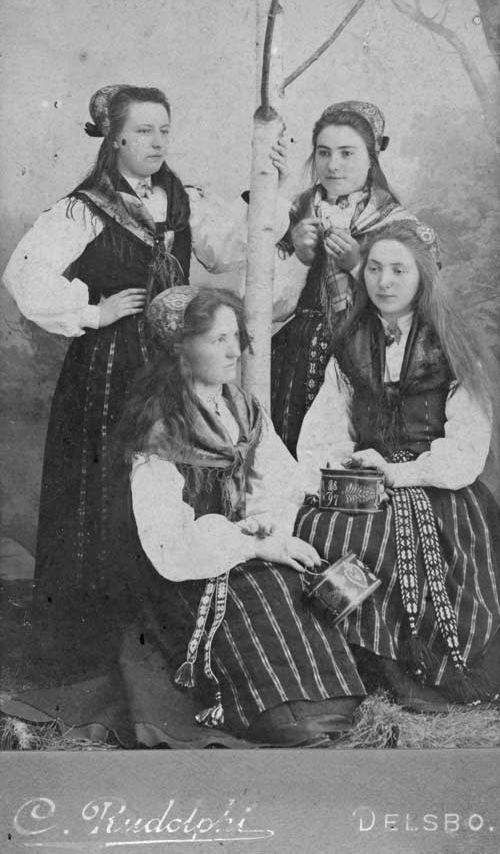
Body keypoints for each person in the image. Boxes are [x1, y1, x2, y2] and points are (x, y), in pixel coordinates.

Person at [1, 83, 295, 678]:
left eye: (164, 130)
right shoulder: (85, 208)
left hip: (174, 363)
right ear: (114, 139)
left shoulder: (184, 200)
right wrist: (93, 312)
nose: (157, 142)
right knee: (106, 484)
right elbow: (23, 275)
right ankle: (96, 639)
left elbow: (232, 249)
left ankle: (167, 628)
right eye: (142, 131)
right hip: (109, 368)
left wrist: (274, 190)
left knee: (172, 482)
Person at [109, 285, 365, 747]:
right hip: (183, 574)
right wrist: (250, 544)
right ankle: (282, 715)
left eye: (235, 337)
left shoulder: (242, 408)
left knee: (292, 577)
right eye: (218, 340)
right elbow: (166, 543)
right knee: (262, 589)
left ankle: (329, 705)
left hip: (236, 548)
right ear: (181, 349)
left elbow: (280, 482)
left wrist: (267, 528)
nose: (235, 351)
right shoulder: (161, 427)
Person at [295, 223, 500, 712]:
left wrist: (398, 473)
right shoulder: (350, 342)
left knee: (384, 542)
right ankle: (354, 668)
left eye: (398, 270)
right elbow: (324, 430)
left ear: (423, 276)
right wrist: (348, 468)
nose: (384, 282)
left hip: (436, 485)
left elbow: (466, 449)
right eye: (374, 268)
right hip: (363, 480)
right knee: (317, 531)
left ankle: (411, 671)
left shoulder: (452, 344)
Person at [271, 100, 439, 455]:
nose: (333, 165)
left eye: (347, 153)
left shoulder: (397, 224)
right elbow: (268, 301)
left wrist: (358, 266)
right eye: (324, 153)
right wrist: (298, 253)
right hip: (298, 354)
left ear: (371, 158)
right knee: (289, 446)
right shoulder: (295, 211)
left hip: (369, 352)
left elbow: (422, 299)